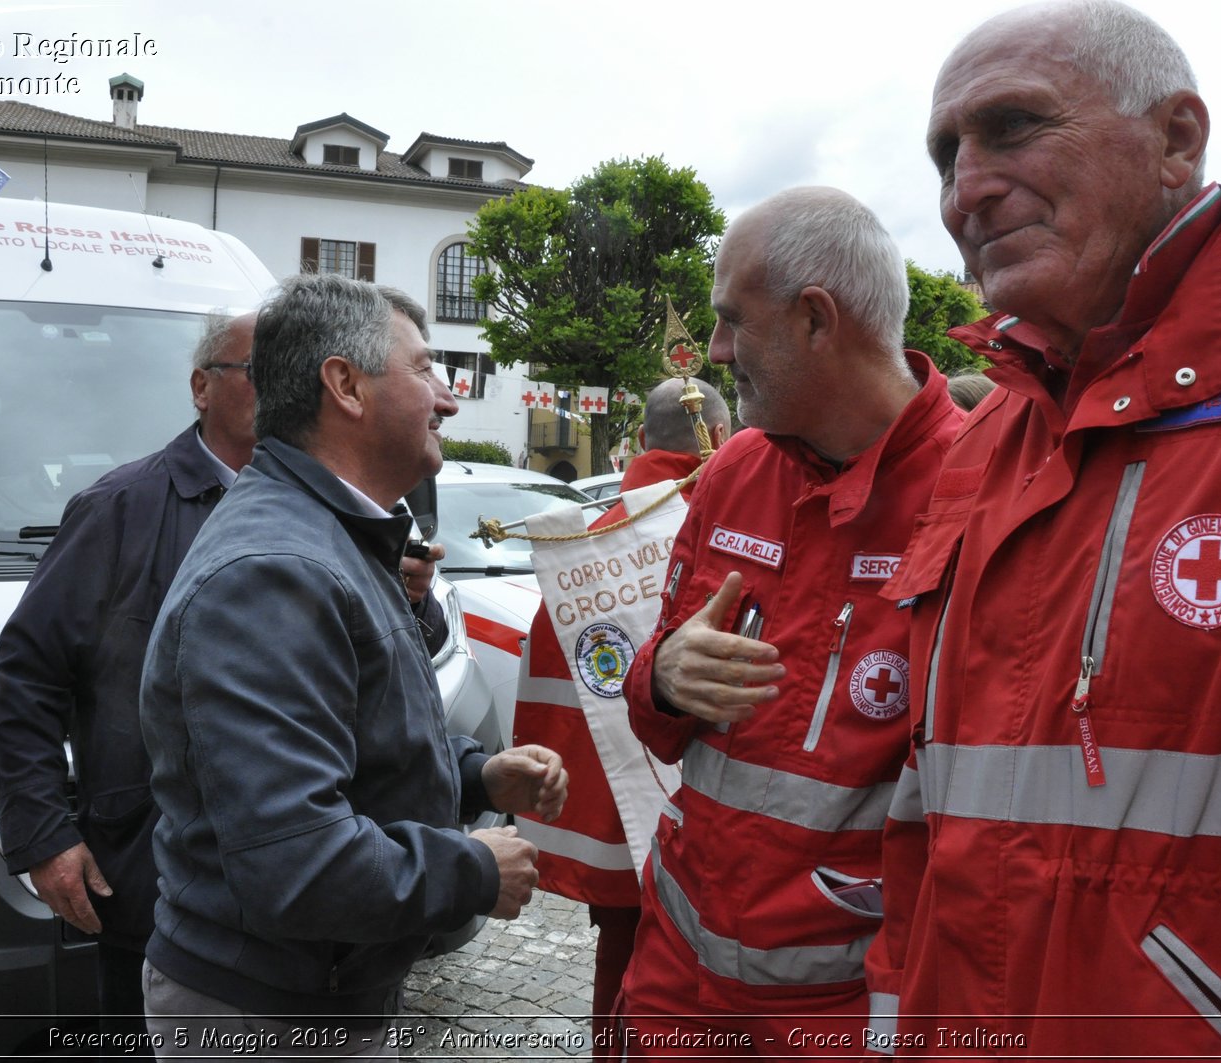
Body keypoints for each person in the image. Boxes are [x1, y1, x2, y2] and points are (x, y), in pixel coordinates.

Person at [863, 2, 1221, 1057]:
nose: (964, 190)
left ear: (1176, 139)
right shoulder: (987, 446)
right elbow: (922, 826)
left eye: (1015, 126)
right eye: (945, 154)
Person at [0, 309, 452, 1049]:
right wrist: (43, 832)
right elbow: (27, 673)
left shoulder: (348, 507)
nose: (279, 387)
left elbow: (381, 672)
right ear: (202, 387)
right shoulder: (122, 507)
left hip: (315, 899)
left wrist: (414, 607)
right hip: (153, 875)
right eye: (256, 372)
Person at [137, 274, 568, 1058]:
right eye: (424, 368)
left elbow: (353, 731)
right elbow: (295, 862)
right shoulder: (274, 568)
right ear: (345, 385)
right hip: (268, 1016)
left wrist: (475, 773)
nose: (448, 399)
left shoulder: (329, 535)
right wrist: (470, 868)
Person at [616, 187, 963, 1053]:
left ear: (817, 318)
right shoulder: (735, 468)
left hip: (847, 1007)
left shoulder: (978, 491)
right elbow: (656, 715)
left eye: (734, 321)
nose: (716, 352)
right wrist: (660, 675)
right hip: (679, 972)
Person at [512, 376, 730, 1060]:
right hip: (706, 820)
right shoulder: (725, 526)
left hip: (612, 827)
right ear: (719, 438)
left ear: (637, 442)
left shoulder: (585, 546)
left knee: (620, 973)